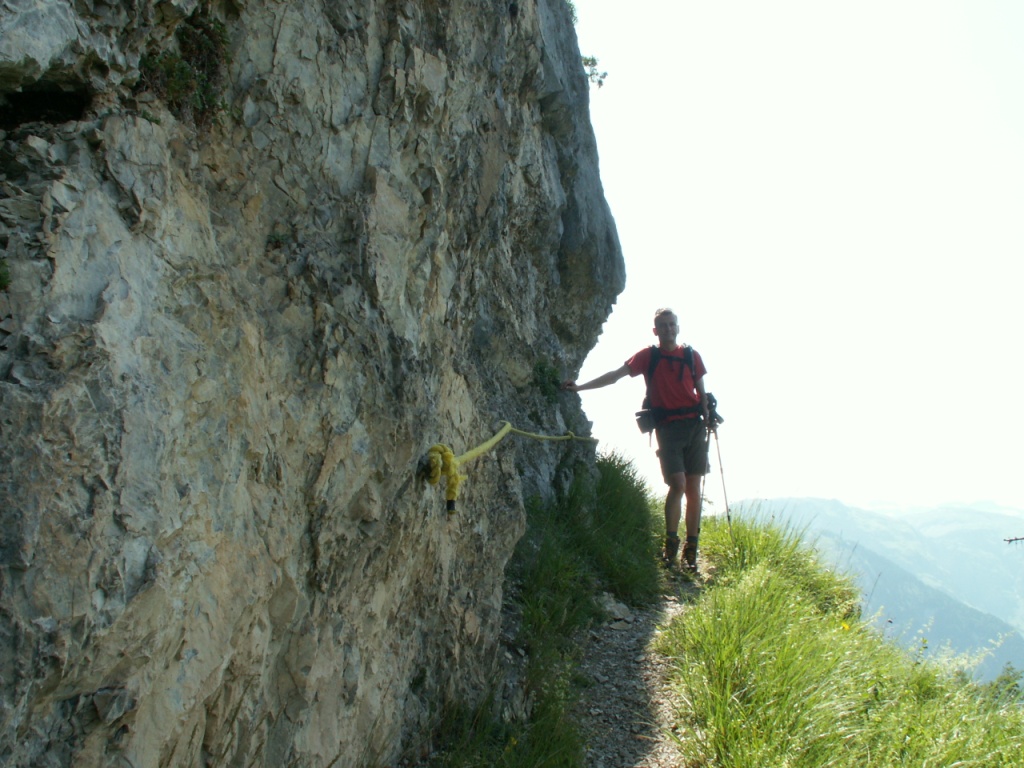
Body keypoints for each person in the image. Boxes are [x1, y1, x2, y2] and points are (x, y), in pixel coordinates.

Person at [562, 308, 711, 570]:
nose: (668, 329)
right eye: (662, 326)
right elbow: (615, 376)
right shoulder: (648, 356)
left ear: (677, 327)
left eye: (671, 324)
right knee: (678, 484)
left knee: (693, 488)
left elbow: (702, 392)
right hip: (668, 429)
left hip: (694, 426)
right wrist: (581, 387)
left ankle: (691, 548)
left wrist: (708, 415)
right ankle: (671, 543)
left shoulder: (691, 356)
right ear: (655, 331)